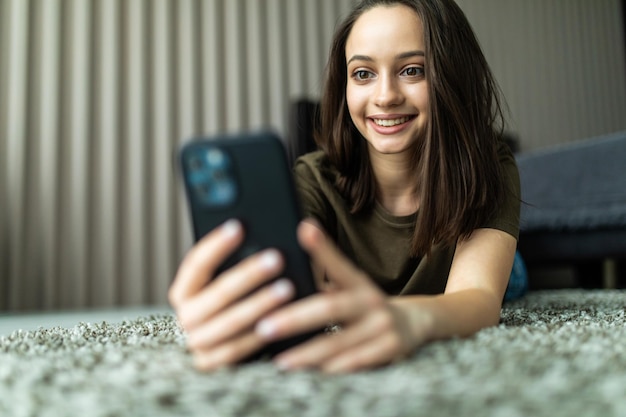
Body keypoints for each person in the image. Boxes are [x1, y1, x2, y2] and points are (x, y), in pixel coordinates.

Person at [169, 0, 521, 373]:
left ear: (453, 77)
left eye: (412, 70)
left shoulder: (489, 163)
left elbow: (478, 297)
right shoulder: (314, 178)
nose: (385, 96)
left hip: (478, 261)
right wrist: (239, 311)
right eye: (363, 74)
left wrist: (411, 319)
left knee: (513, 279)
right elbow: (296, 289)